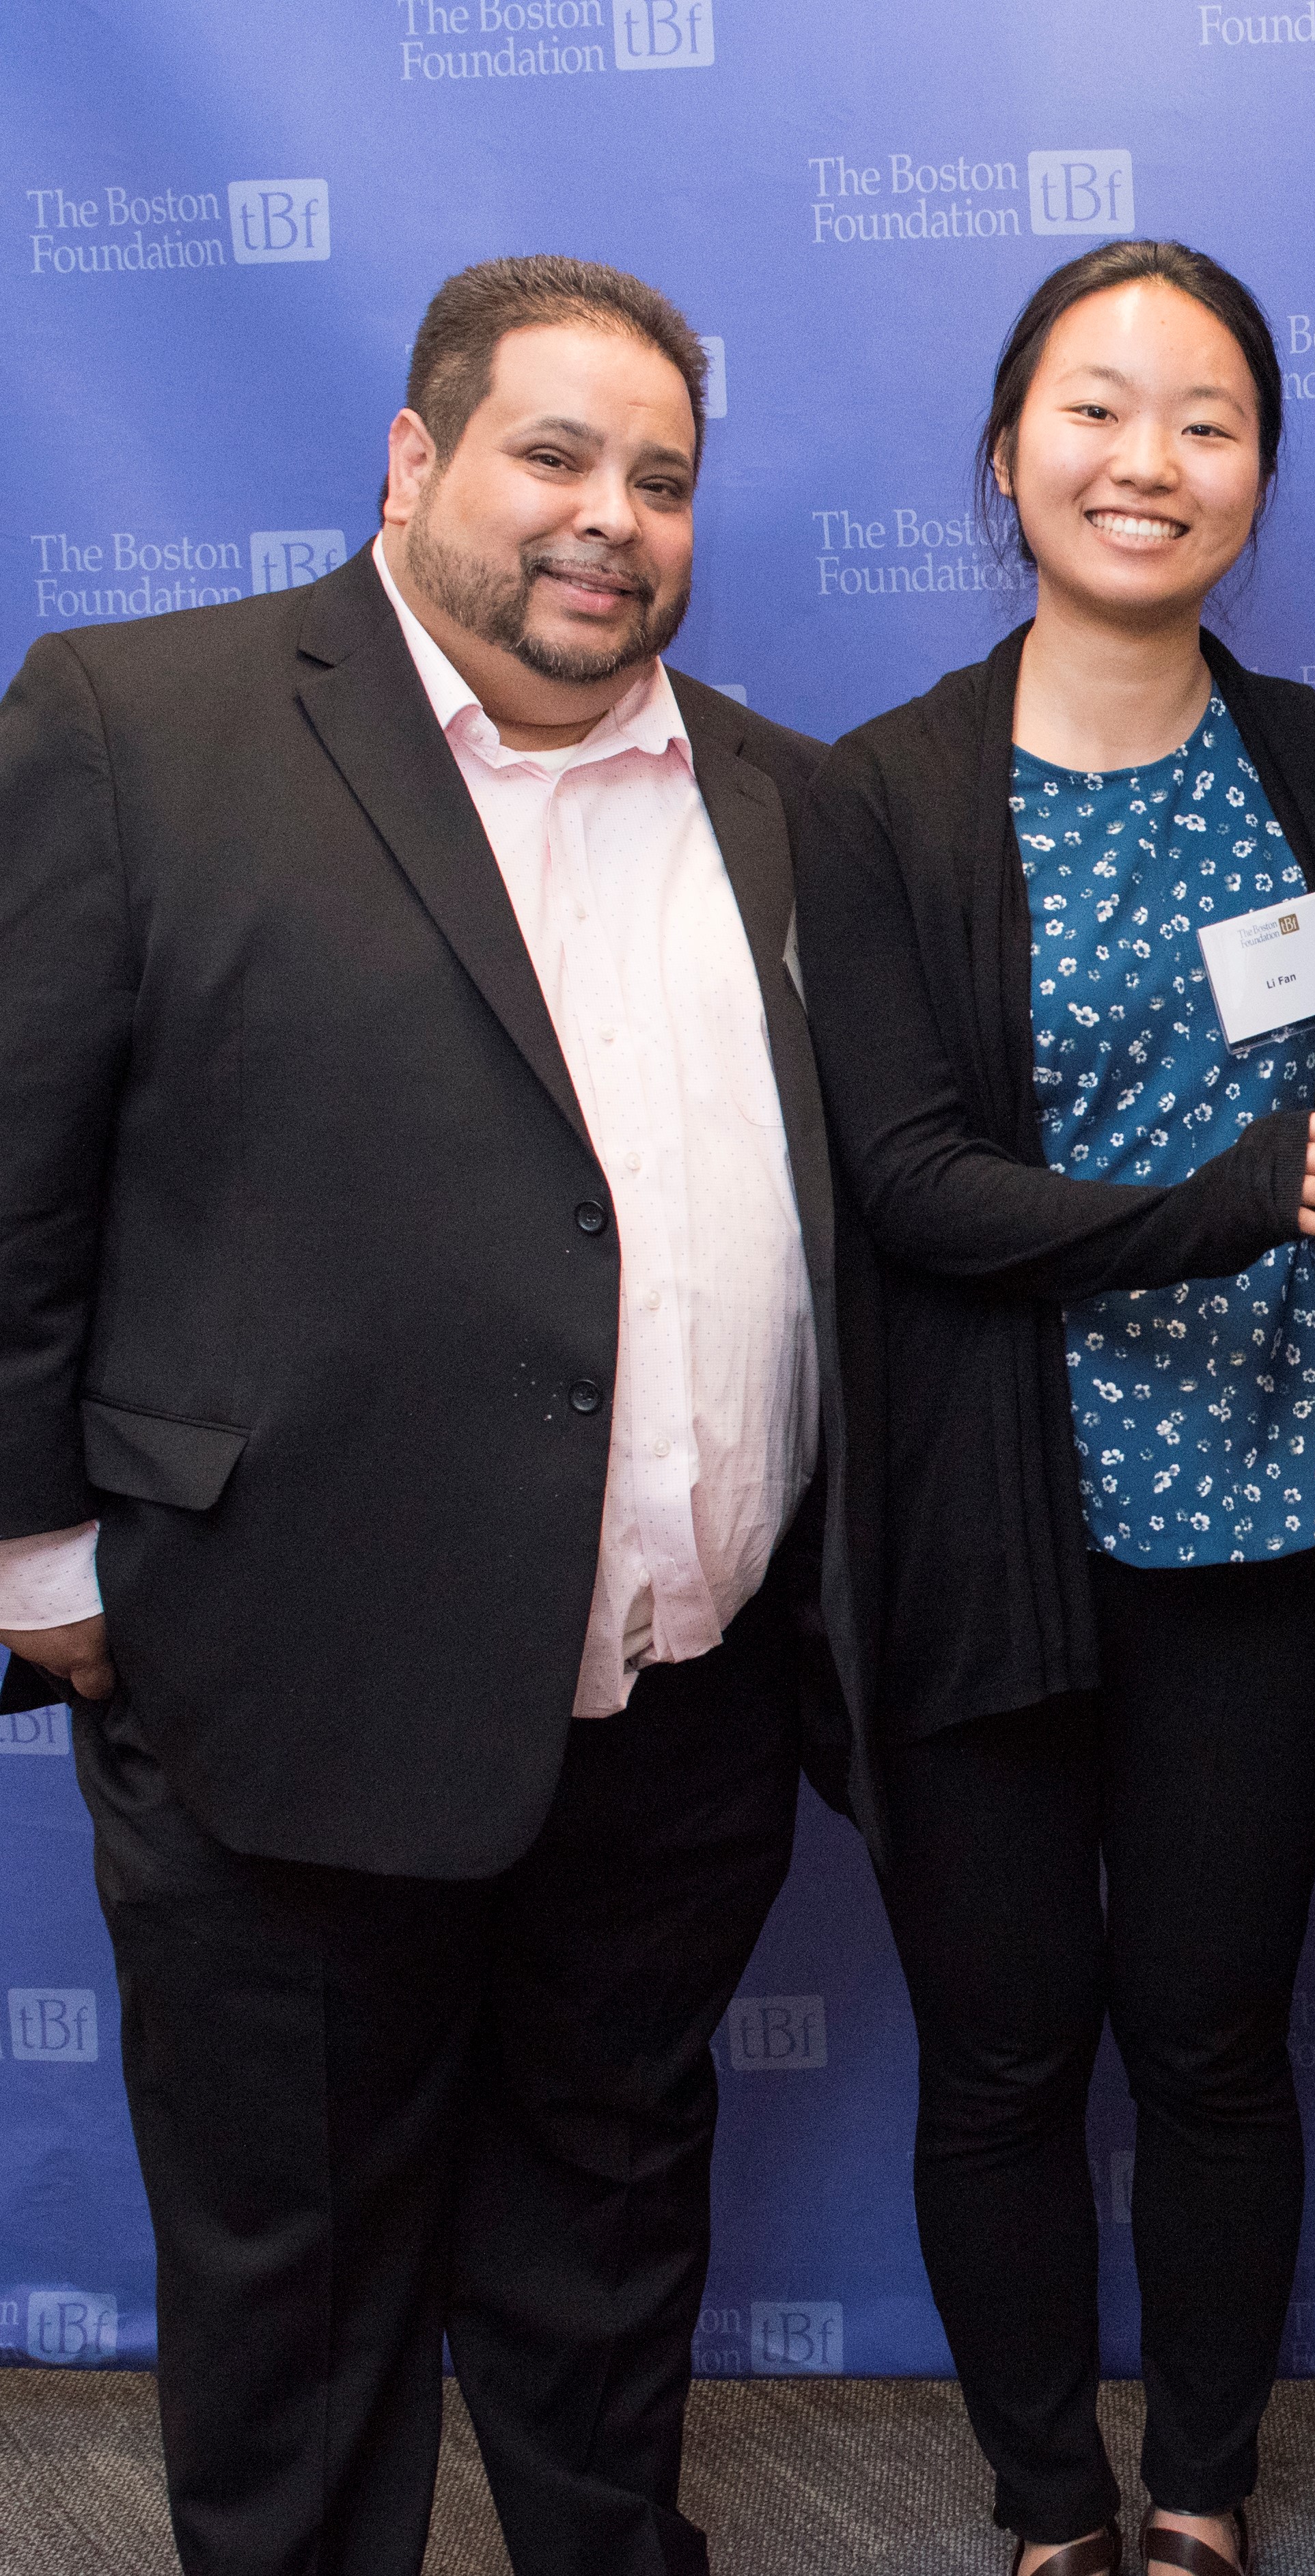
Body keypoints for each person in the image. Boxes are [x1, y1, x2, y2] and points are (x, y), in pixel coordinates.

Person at [0, 257, 857, 2576]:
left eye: (661, 478)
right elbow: (11, 1169)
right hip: (284, 1674)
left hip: (680, 1711)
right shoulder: (137, 721)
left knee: (606, 2259)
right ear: (412, 461)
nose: (611, 520)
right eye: (553, 456)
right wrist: (49, 1567)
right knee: (300, 2303)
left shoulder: (781, 798)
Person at [796, 242, 1315, 2576]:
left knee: (1218, 2041)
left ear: (1258, 471)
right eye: (1097, 409)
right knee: (1008, 2053)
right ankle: (1050, 2505)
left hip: (1258, 1518)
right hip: (986, 1532)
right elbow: (914, 1184)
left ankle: (1203, 2495)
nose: (1151, 462)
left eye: (1210, 419)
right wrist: (1234, 1199)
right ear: (1009, 448)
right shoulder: (882, 796)